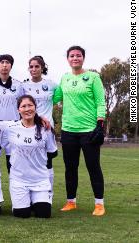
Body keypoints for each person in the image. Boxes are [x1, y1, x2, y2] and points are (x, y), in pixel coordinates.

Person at [54, 46, 106, 216]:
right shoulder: (65, 78)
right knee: (70, 168)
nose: (75, 58)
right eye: (71, 56)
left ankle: (99, 204)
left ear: (83, 58)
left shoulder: (93, 77)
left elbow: (100, 102)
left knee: (93, 166)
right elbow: (55, 98)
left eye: (78, 55)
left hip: (89, 131)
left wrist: (100, 124)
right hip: (68, 130)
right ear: (67, 59)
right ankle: (71, 202)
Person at [2, 95, 58, 218]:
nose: (27, 109)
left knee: (44, 214)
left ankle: (37, 199)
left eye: (30, 105)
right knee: (22, 214)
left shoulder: (45, 128)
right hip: (19, 180)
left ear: (35, 107)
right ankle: (24, 202)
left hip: (40, 180)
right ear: (18, 110)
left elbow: (51, 153)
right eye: (23, 106)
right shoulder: (10, 128)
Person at [22, 56, 58, 189]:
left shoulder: (52, 85)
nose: (34, 69)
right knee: (31, 161)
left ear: (42, 68)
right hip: (29, 128)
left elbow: (59, 98)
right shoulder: (24, 86)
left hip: (47, 128)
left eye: (37, 66)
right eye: (31, 66)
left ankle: (48, 193)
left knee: (47, 162)